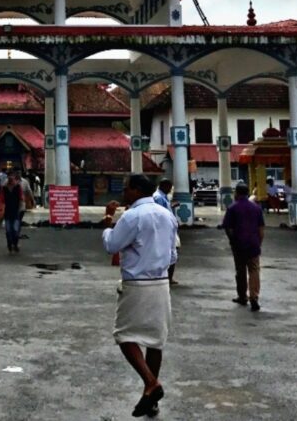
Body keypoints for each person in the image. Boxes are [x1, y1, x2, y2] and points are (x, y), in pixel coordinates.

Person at [102, 174, 178, 419]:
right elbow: (173, 254)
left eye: (126, 189)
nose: (124, 193)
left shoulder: (132, 216)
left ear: (136, 191)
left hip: (137, 283)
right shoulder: (167, 215)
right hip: (161, 281)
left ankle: (150, 382)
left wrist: (108, 221)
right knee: (155, 340)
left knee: (124, 335)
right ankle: (150, 396)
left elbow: (112, 245)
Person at [219, 183, 265, 311]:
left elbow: (228, 227)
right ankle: (254, 296)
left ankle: (242, 296)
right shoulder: (256, 208)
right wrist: (259, 242)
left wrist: (232, 240)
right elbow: (261, 228)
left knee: (240, 271)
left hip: (239, 244)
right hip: (254, 243)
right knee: (254, 270)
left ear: (236, 193)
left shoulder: (233, 208)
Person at [152, 179, 180, 285]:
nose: (170, 190)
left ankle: (167, 277)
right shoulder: (159, 197)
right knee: (170, 253)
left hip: (168, 227)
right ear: (164, 186)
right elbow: (160, 213)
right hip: (164, 229)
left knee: (171, 253)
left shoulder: (162, 196)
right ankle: (166, 277)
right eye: (169, 187)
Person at [2, 171, 25, 254]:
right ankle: (9, 245)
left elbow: (21, 199)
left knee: (15, 230)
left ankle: (15, 244)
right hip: (7, 212)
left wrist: (19, 209)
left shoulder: (18, 188)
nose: (11, 179)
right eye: (9, 177)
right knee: (8, 230)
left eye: (12, 177)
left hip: (15, 212)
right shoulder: (4, 188)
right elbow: (3, 200)